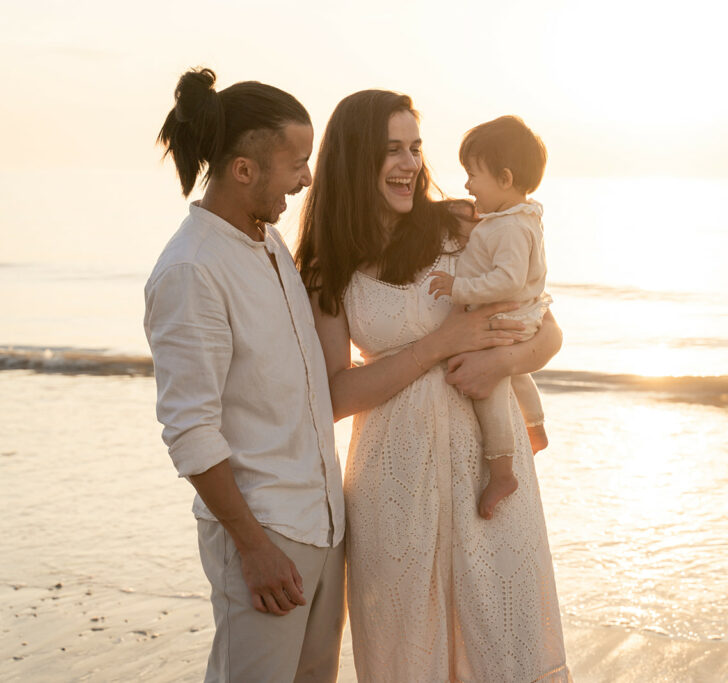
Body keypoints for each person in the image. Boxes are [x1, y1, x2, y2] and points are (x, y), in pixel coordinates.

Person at [295, 90, 571, 682]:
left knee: (505, 645)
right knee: (408, 654)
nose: (410, 163)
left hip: (486, 476)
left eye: (416, 148)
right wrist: (440, 345)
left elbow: (547, 334)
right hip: (393, 480)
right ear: (353, 158)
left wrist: (500, 364)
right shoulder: (327, 265)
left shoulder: (463, 225)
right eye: (391, 149)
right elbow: (336, 396)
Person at [144, 67, 345, 683]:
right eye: (297, 163)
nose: (308, 177)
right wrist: (254, 549)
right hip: (264, 537)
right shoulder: (191, 271)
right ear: (244, 170)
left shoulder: (268, 242)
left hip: (322, 525)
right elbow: (191, 433)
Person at [428, 115, 552, 520]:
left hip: (509, 316)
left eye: (472, 175)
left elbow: (507, 280)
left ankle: (501, 471)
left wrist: (458, 288)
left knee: (493, 388)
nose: (466, 185)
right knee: (517, 374)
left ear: (504, 177)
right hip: (522, 316)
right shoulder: (513, 219)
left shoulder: (510, 229)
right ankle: (534, 426)